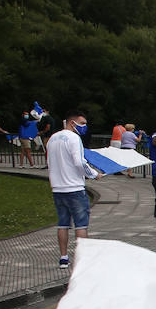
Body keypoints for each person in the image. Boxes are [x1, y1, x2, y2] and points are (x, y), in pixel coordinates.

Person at [47, 110, 101, 269]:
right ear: (72, 122)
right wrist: (94, 174)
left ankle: (64, 257)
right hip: (74, 188)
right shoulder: (74, 138)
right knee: (81, 225)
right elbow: (79, 162)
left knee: (63, 224)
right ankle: (82, 259)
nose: (84, 127)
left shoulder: (52, 139)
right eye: (82, 123)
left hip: (58, 188)